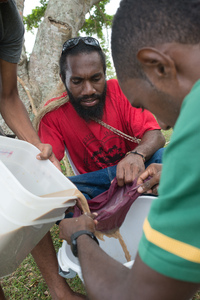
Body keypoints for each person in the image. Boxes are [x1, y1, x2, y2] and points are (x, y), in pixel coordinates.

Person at [58, 0, 200, 299]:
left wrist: (81, 237)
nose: (161, 121)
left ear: (159, 65)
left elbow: (138, 294)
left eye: (143, 103)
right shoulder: (53, 115)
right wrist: (175, 170)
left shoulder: (193, 129)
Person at [0, 1, 83, 300]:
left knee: (25, 185)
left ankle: (60, 290)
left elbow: (7, 95)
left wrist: (34, 146)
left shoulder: (7, 18)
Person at [36, 36, 165, 200]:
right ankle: (86, 219)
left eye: (96, 79)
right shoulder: (52, 114)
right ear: (63, 79)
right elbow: (47, 168)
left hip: (137, 176)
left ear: (104, 74)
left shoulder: (120, 90)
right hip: (98, 189)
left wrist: (137, 155)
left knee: (164, 157)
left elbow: (156, 136)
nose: (88, 90)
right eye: (77, 81)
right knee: (62, 193)